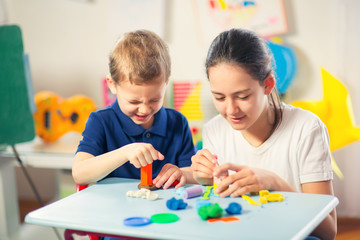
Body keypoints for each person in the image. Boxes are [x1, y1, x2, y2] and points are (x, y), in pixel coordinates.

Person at [190, 28, 336, 240]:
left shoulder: (307, 128)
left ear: (267, 85)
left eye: (242, 96)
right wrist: (203, 178)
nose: (231, 110)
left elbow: (328, 232)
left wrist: (276, 183)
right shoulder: (215, 129)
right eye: (220, 98)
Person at [72, 30, 195, 190]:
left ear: (165, 84)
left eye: (154, 100)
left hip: (164, 211)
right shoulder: (101, 121)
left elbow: (192, 173)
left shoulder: (177, 122)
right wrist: (125, 153)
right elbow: (79, 173)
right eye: (134, 101)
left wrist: (182, 174)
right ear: (112, 85)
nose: (144, 109)